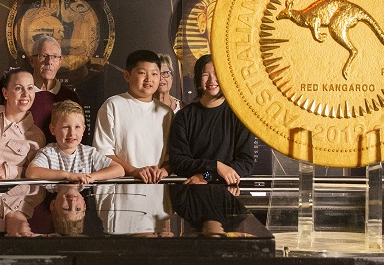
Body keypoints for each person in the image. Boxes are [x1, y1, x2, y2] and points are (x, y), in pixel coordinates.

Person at [167, 54, 254, 184]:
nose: (212, 80)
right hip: (191, 192)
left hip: (229, 193)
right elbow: (178, 162)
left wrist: (207, 176)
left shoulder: (238, 115)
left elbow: (245, 164)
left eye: (217, 73)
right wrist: (216, 166)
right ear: (197, 79)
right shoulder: (185, 116)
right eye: (205, 75)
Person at [93, 49, 172, 183]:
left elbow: (171, 156)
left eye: (154, 74)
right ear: (127, 76)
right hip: (122, 187)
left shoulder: (165, 112)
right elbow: (103, 153)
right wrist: (134, 171)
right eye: (142, 73)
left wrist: (163, 171)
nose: (149, 79)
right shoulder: (113, 105)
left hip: (157, 189)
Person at [25, 100, 122, 184]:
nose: (72, 133)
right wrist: (68, 175)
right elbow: (31, 172)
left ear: (83, 129)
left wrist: (91, 177)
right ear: (53, 129)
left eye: (77, 127)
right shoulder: (48, 153)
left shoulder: (89, 153)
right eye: (65, 127)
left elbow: (119, 170)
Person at [0, 67, 46, 179]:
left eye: (30, 88)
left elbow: (34, 174)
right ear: (5, 93)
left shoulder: (37, 136)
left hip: (10, 194)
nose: (25, 94)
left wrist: (11, 170)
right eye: (18, 88)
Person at [26, 34, 80, 138]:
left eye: (55, 57)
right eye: (43, 56)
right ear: (32, 60)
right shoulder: (20, 96)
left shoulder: (71, 97)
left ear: (60, 62)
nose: (49, 62)